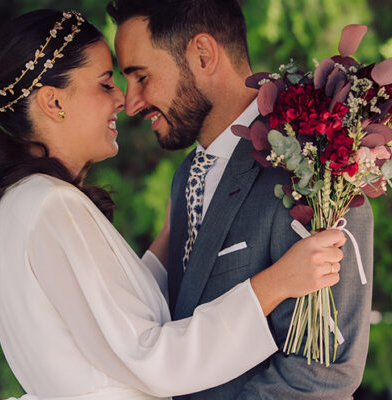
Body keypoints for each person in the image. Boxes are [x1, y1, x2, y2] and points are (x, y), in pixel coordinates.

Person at [0, 9, 347, 400]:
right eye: (105, 83)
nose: (123, 101)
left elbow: (106, 319)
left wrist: (174, 231)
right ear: (53, 102)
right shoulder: (51, 205)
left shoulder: (15, 203)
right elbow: (151, 358)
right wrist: (277, 283)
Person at [107, 0, 375, 399]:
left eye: (142, 77)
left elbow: (324, 373)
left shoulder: (315, 169)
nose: (131, 103)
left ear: (203, 55)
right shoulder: (186, 176)